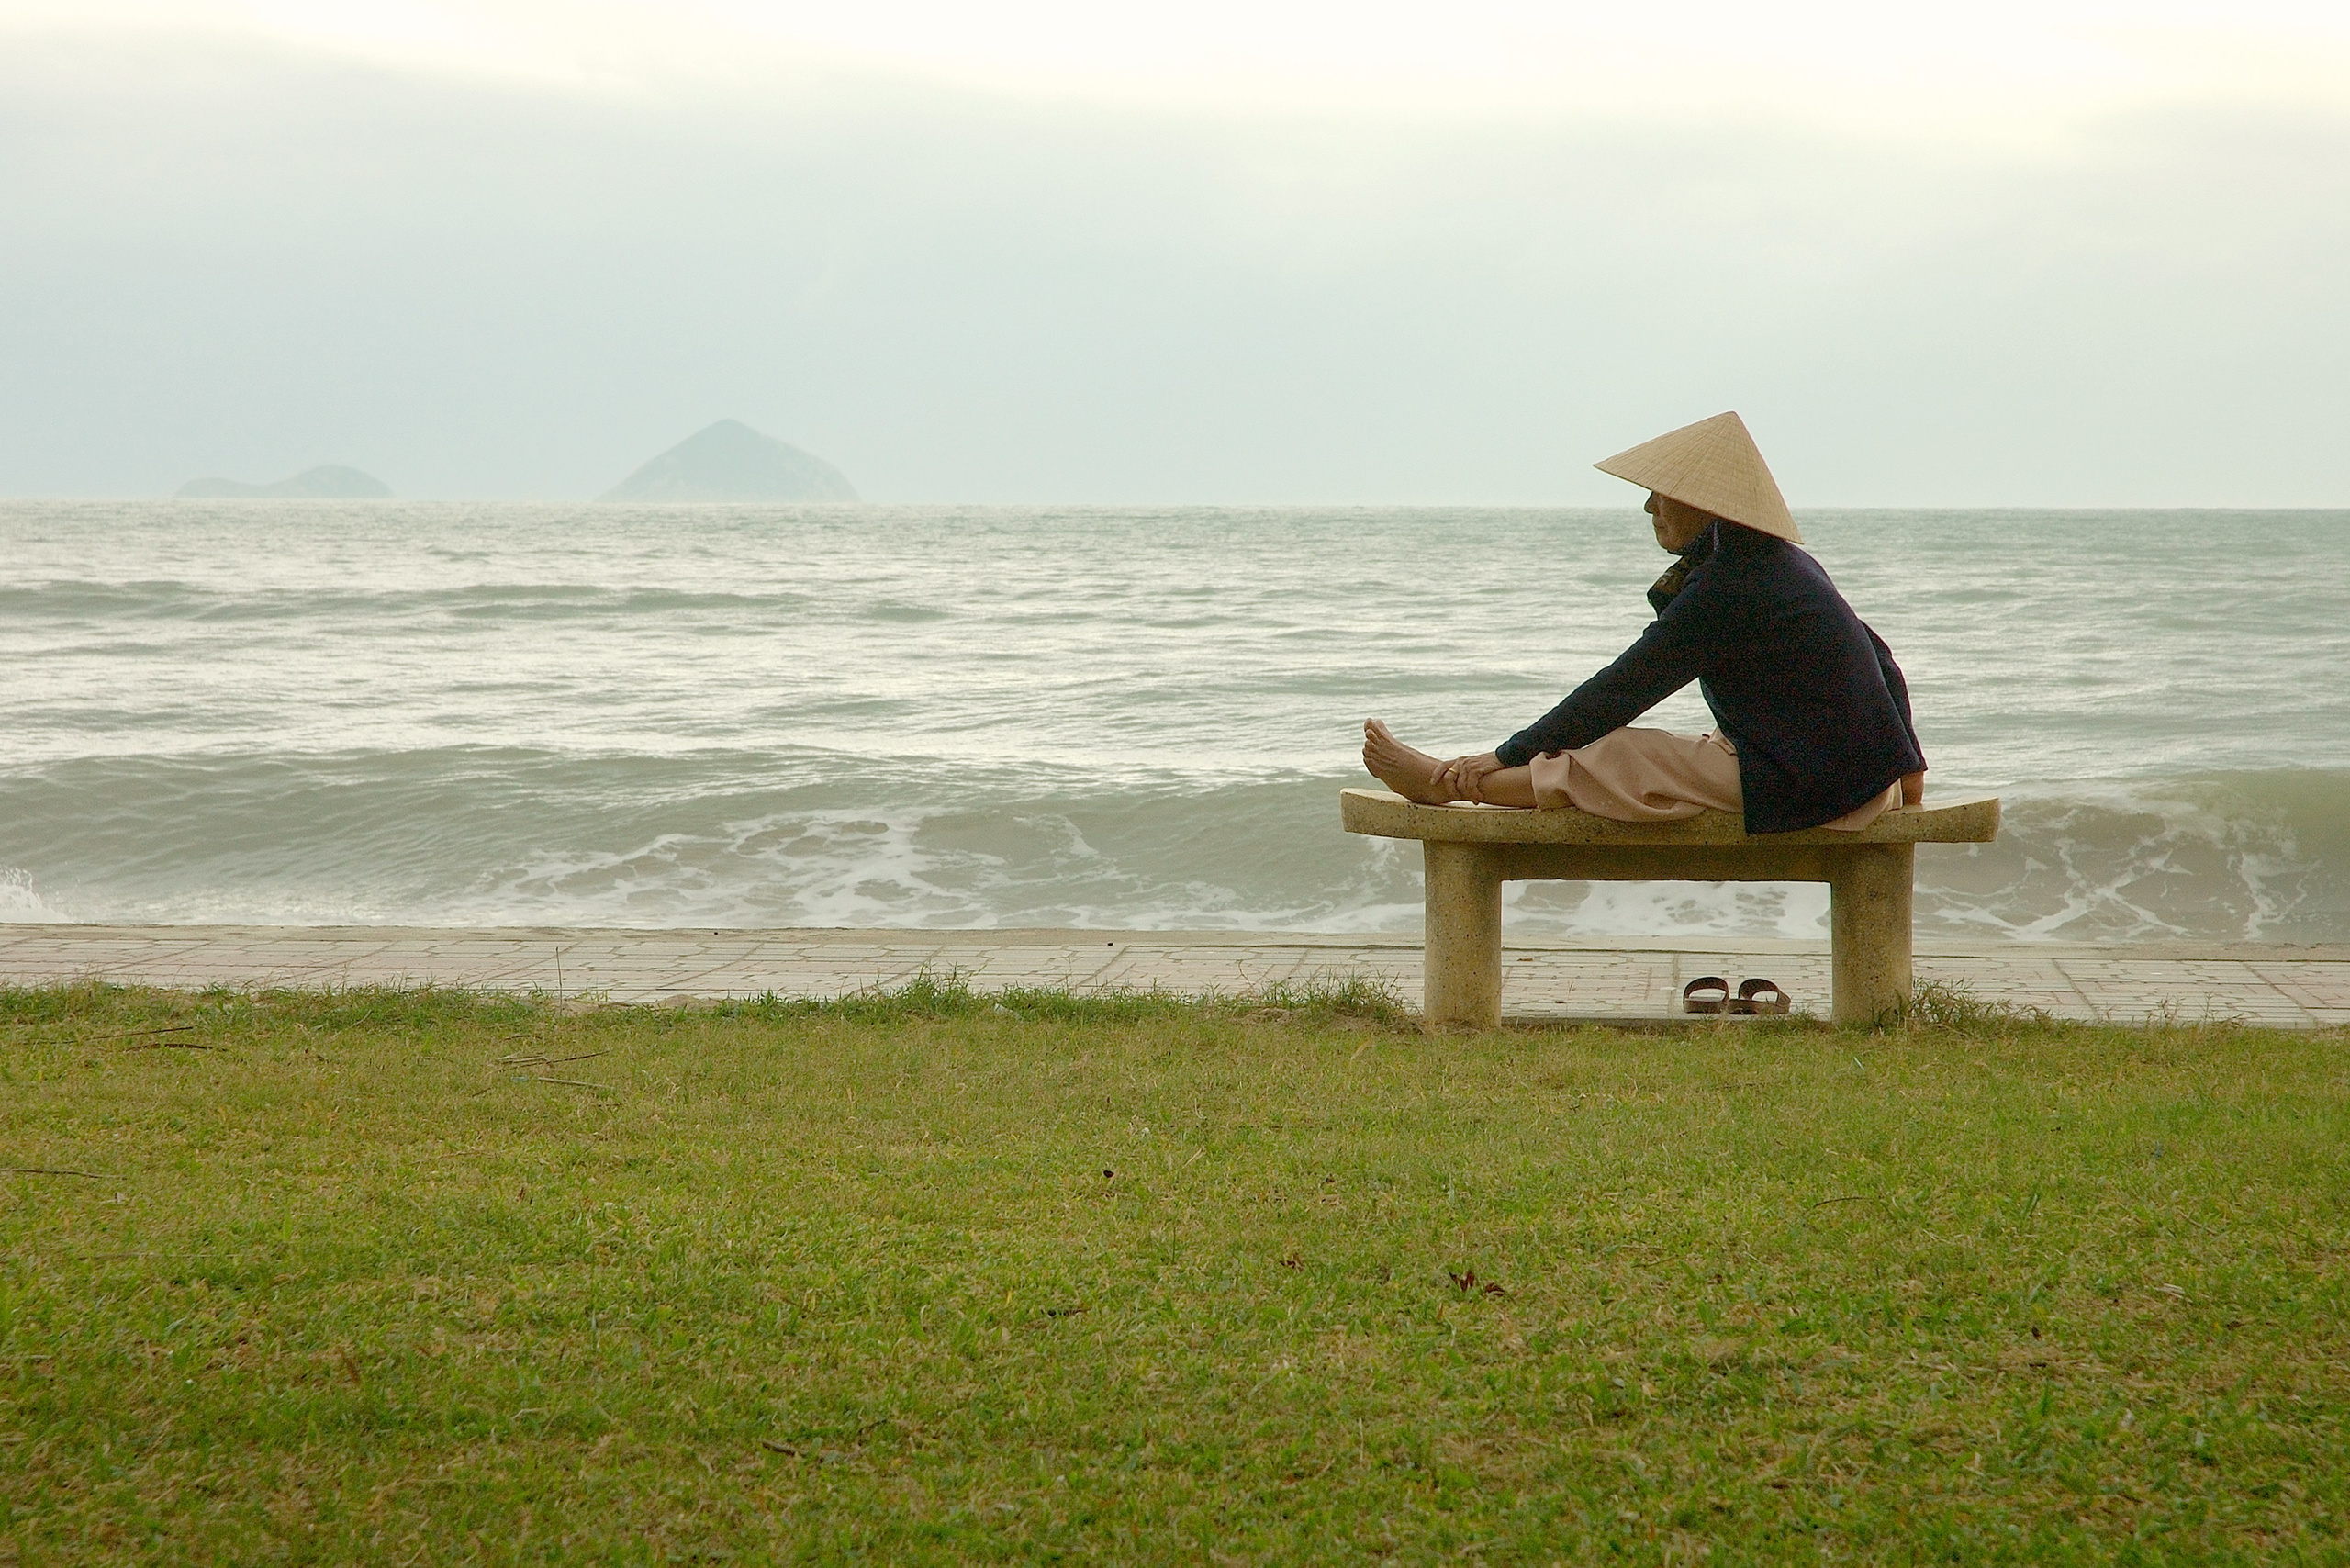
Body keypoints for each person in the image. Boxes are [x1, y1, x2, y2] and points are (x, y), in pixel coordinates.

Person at [1361, 411, 1925, 834]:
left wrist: (1509, 752)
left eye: (1661, 494)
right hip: (1852, 779)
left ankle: (1451, 783)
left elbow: (1624, 687)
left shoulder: (1732, 581)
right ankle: (1457, 779)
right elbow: (1880, 657)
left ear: (1704, 504)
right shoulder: (1780, 563)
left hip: (1818, 786)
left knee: (1620, 754)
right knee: (1644, 755)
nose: (1650, 508)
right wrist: (1909, 773)